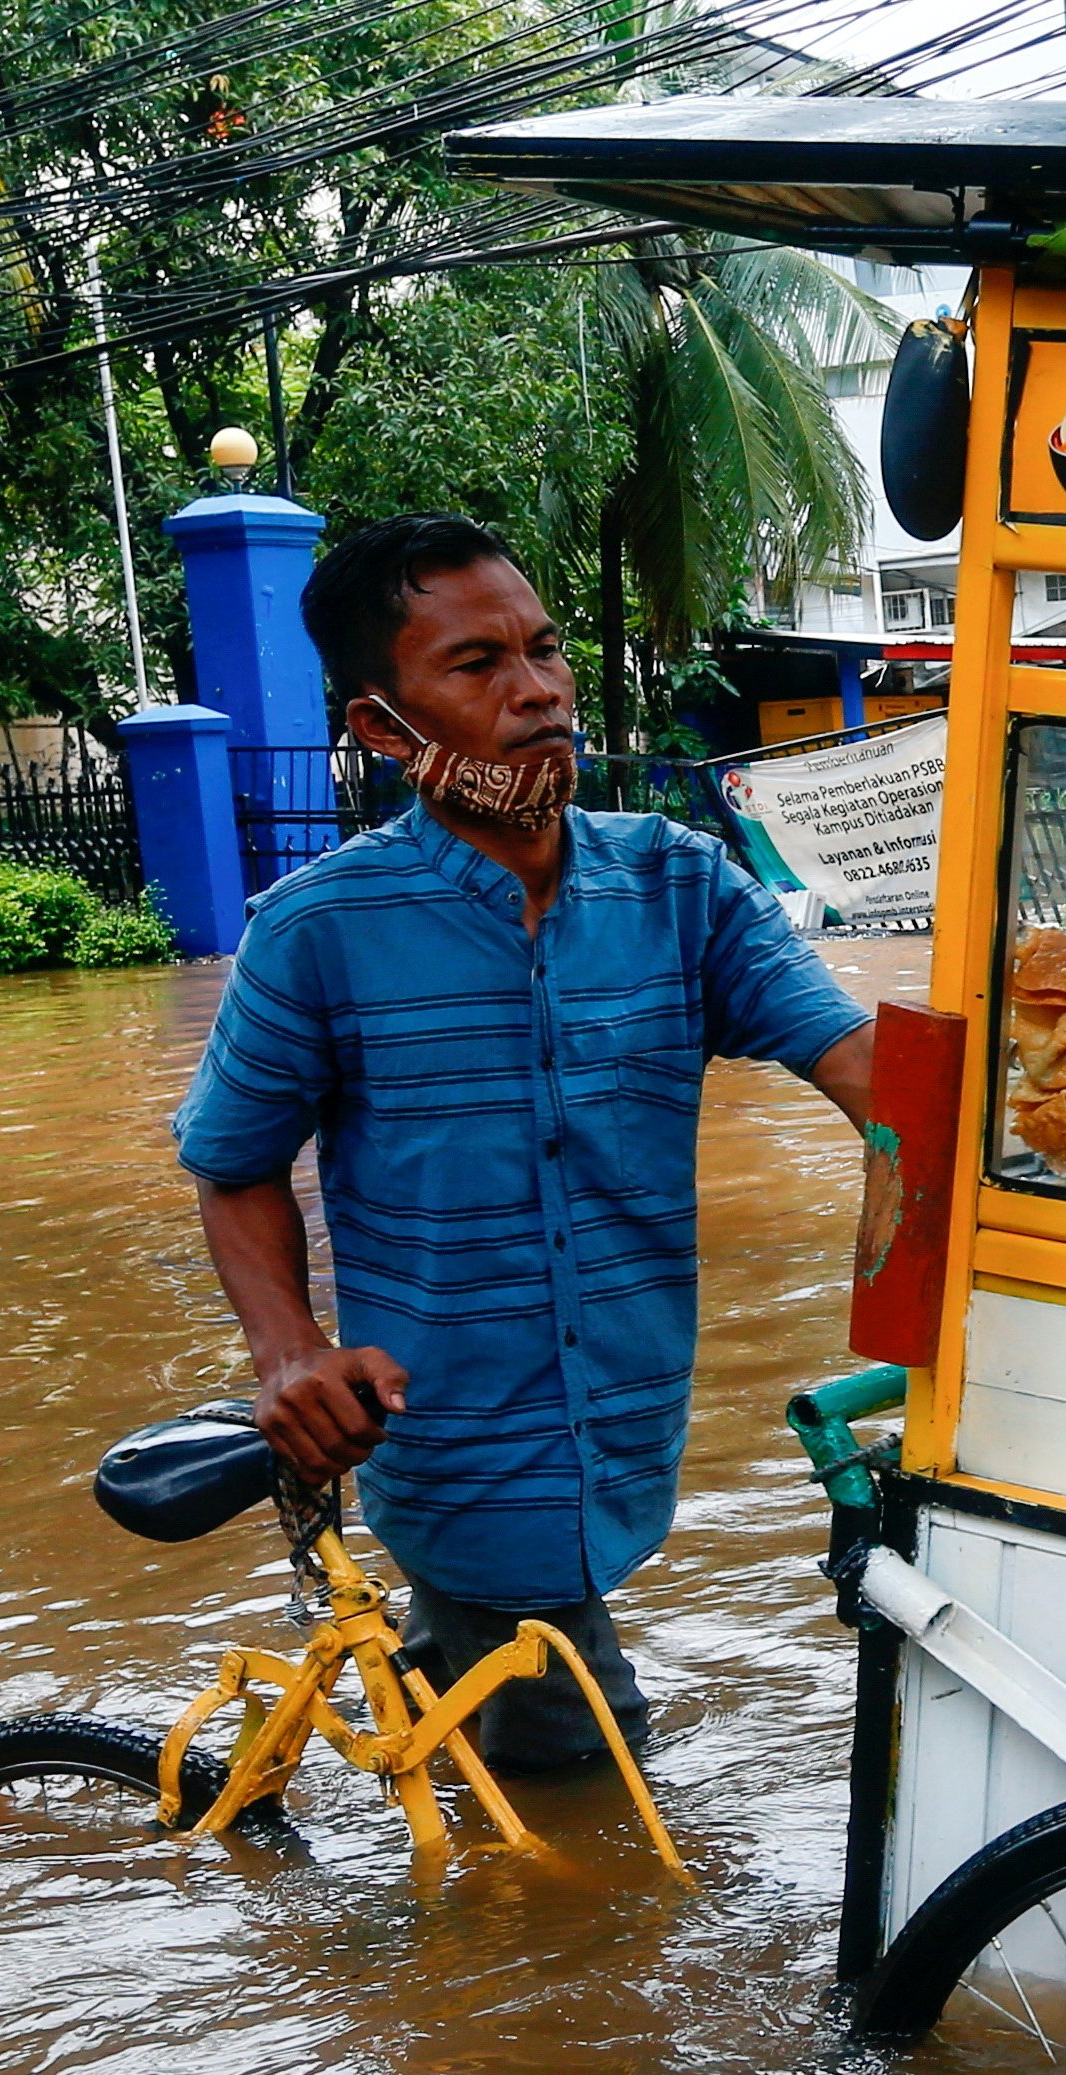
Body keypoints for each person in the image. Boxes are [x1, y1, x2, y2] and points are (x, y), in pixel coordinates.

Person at [170, 512, 874, 1774]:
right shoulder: (317, 929)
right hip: (451, 1438)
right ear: (384, 726)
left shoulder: (682, 886)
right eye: (478, 664)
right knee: (595, 1787)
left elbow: (863, 1070)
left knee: (486, 1751)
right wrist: (288, 1352)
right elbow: (232, 1164)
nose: (540, 690)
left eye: (544, 651)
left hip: (628, 1421)